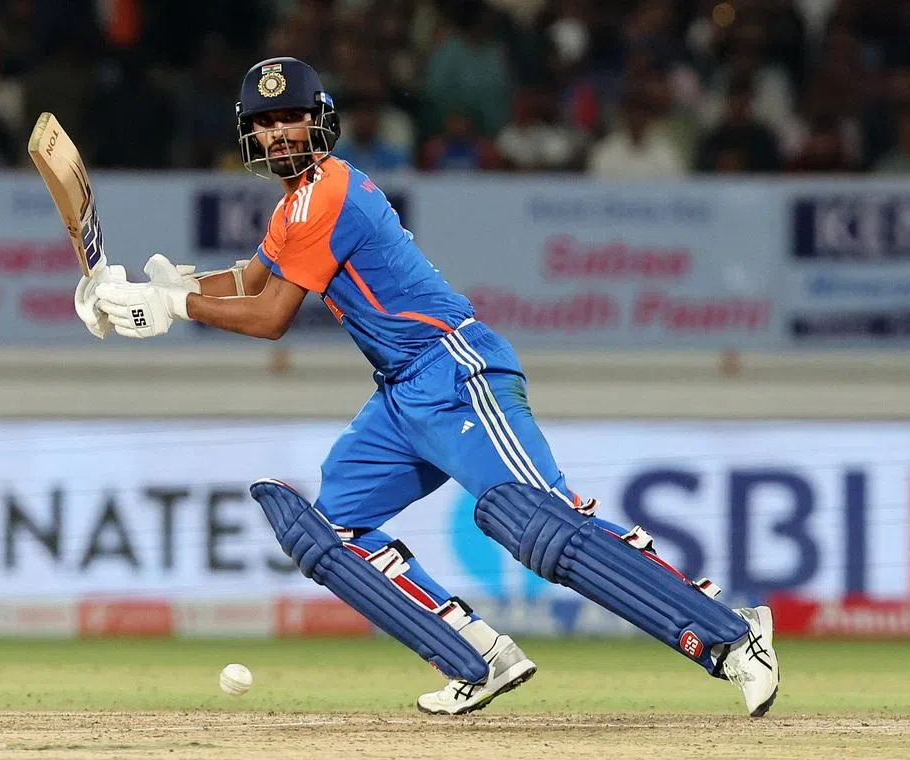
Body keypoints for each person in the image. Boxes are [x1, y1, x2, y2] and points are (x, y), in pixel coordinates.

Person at [75, 57, 780, 717]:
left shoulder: (329, 193)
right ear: (248, 135)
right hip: (400, 394)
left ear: (318, 119)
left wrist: (173, 305)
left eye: (290, 116)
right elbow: (249, 279)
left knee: (537, 523)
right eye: (264, 122)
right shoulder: (294, 209)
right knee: (331, 533)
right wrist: (140, 291)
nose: (277, 131)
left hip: (455, 370)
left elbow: (268, 317)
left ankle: (731, 632)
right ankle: (477, 656)